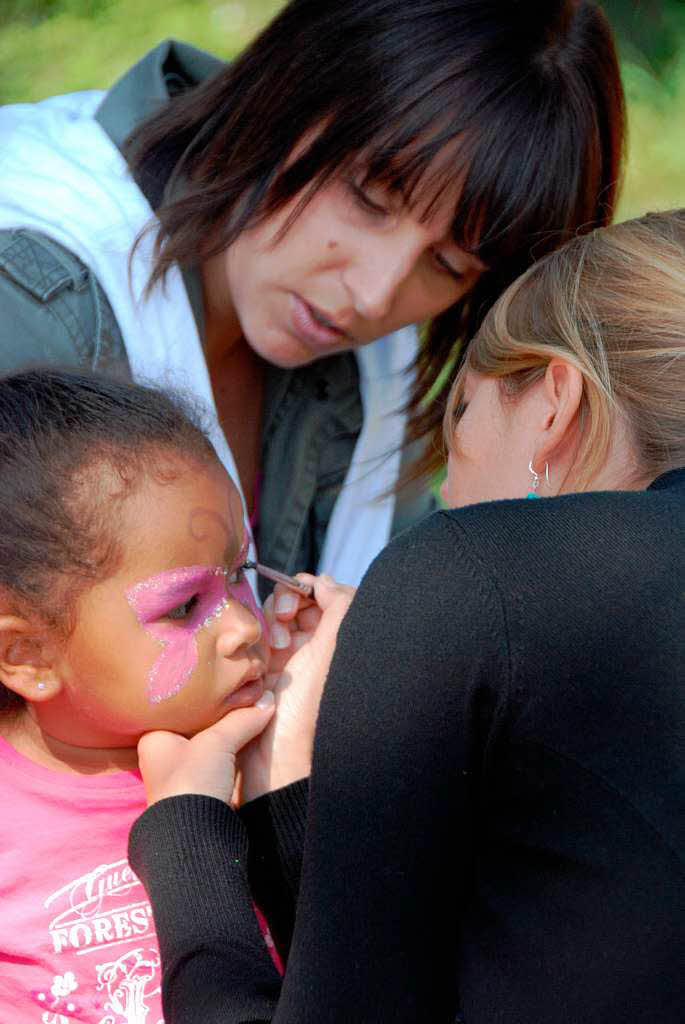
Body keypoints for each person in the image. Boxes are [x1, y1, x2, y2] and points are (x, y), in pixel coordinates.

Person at [129, 209, 685, 1023]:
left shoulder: (475, 571)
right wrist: (302, 785)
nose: (444, 485)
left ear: (552, 406)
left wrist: (188, 839)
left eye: (461, 410)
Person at [0, 0, 624, 591]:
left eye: (447, 265)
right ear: (291, 88)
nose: (376, 297)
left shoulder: (378, 365)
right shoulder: (38, 297)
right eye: (369, 200)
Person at [0, 369, 287, 1024]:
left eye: (241, 575)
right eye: (186, 605)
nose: (246, 626)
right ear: (30, 655)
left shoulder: (276, 750)